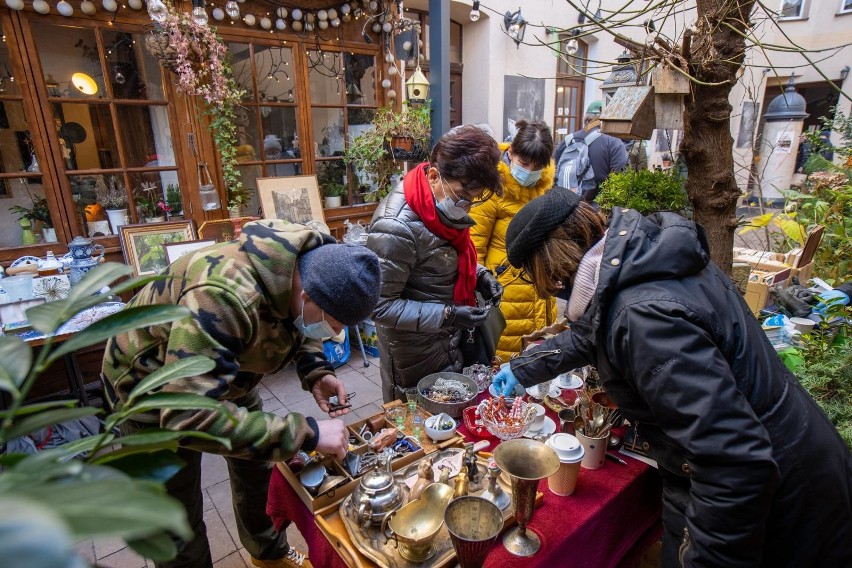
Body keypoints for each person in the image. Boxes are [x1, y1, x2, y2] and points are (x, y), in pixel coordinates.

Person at [492, 188, 852, 567]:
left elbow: (732, 463)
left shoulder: (644, 315)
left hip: (783, 502)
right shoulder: (639, 260)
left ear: (548, 263)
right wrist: (522, 368)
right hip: (792, 459)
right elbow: (593, 330)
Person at [101, 220, 381, 568]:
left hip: (227, 369)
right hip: (151, 388)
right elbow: (186, 418)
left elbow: (302, 319)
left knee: (257, 468)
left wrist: (314, 369)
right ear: (308, 295)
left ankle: (268, 553)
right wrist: (305, 433)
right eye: (335, 325)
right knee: (175, 515)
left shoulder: (309, 264)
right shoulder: (222, 296)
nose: (335, 333)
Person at [366, 125, 504, 402]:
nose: (467, 206)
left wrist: (480, 276)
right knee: (421, 425)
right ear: (433, 175)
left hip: (448, 339)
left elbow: (443, 258)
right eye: (463, 197)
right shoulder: (395, 227)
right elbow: (378, 305)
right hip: (413, 354)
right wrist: (448, 315)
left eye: (474, 200)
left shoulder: (436, 209)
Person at [470, 119, 557, 361]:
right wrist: (483, 290)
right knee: (502, 363)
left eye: (537, 166)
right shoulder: (492, 189)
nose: (529, 172)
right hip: (504, 293)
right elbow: (473, 249)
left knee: (534, 360)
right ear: (510, 153)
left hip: (540, 292)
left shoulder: (545, 189)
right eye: (523, 163)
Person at [553, 100, 627, 204]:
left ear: (586, 118)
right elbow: (621, 184)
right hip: (594, 212)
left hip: (562, 206)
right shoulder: (614, 143)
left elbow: (552, 173)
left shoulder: (567, 141)